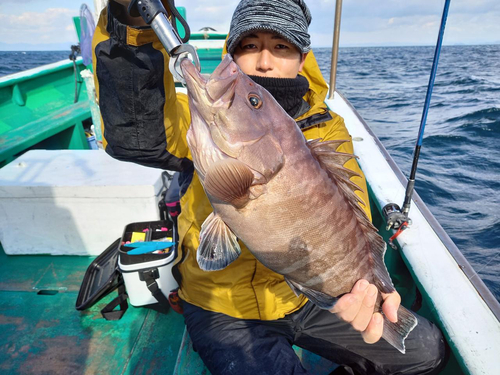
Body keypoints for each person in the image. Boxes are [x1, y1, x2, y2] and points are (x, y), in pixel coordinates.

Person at [92, 0, 446, 373]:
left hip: (305, 300)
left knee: (427, 351)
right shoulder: (200, 121)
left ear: (301, 56)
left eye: (281, 47)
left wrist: (369, 288)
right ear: (232, 51)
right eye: (248, 46)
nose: (264, 61)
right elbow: (138, 136)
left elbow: (353, 210)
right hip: (222, 305)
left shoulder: (329, 127)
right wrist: (130, 23)